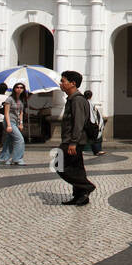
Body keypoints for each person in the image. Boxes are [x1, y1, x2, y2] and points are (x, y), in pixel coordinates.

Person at [56, 71, 94, 205]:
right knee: (77, 168)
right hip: (72, 140)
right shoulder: (72, 99)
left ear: (73, 83)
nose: (61, 84)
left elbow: (79, 122)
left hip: (72, 141)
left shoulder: (77, 100)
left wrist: (73, 142)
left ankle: (86, 187)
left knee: (58, 164)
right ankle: (81, 195)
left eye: (63, 81)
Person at [0, 83, 26, 166]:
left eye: (21, 87)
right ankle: (17, 159)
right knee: (19, 139)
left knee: (9, 141)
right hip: (9, 122)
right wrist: (9, 125)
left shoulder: (21, 100)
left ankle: (3, 159)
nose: (19, 89)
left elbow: (21, 113)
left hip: (16, 122)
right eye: (17, 87)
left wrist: (21, 123)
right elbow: (6, 113)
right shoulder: (9, 99)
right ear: (14, 89)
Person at [84, 90, 106, 156]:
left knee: (92, 138)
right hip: (91, 123)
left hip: (89, 123)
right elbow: (94, 115)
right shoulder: (89, 104)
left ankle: (97, 151)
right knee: (95, 137)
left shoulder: (86, 103)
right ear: (91, 96)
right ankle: (97, 150)